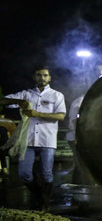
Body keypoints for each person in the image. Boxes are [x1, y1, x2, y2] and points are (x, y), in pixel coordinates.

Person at [0, 65, 66, 209]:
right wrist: (18, 102)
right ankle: (38, 195)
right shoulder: (26, 94)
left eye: (44, 75)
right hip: (28, 140)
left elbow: (61, 116)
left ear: (49, 78)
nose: (42, 78)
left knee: (47, 174)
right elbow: (3, 101)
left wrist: (39, 114)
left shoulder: (57, 95)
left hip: (47, 139)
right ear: (34, 77)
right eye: (38, 75)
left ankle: (44, 203)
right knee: (24, 174)